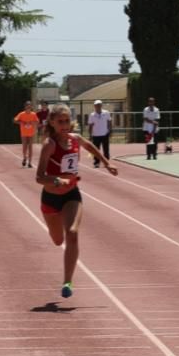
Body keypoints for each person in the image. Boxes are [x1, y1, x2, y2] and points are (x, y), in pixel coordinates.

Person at [35, 103, 117, 298]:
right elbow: (39, 177)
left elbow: (90, 146)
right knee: (58, 240)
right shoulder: (50, 145)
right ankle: (57, 235)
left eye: (67, 121)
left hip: (72, 194)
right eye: (60, 122)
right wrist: (56, 180)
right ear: (52, 123)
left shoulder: (75, 139)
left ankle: (67, 282)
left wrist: (106, 163)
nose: (64, 125)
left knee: (72, 233)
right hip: (50, 198)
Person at [13, 100, 40, 168]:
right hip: (24, 133)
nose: (28, 106)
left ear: (31, 107)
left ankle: (30, 162)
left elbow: (37, 121)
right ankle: (25, 157)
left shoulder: (33, 114)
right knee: (25, 147)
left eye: (29, 105)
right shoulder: (21, 114)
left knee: (30, 147)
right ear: (25, 107)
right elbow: (14, 120)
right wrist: (21, 122)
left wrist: (32, 123)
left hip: (31, 133)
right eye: (27, 105)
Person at [87, 100, 112, 168]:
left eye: (99, 105)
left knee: (106, 149)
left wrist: (110, 131)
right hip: (96, 135)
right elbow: (90, 125)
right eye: (96, 105)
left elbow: (109, 122)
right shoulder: (92, 115)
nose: (98, 106)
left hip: (105, 134)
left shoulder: (106, 113)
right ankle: (96, 162)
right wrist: (90, 135)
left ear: (101, 105)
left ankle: (107, 162)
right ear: (94, 106)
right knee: (96, 150)